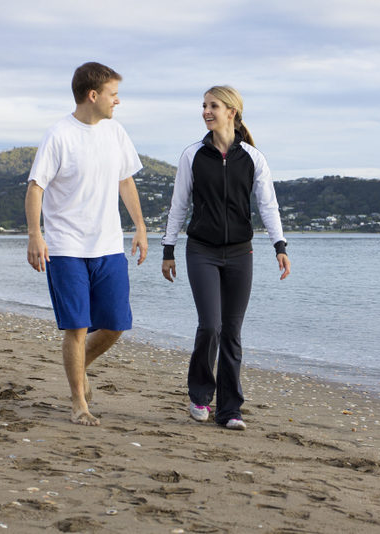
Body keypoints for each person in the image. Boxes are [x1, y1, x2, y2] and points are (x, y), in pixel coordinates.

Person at [161, 85, 290, 430]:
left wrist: (280, 245)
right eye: (203, 105)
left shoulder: (252, 158)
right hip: (201, 250)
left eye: (212, 106)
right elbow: (179, 205)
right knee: (210, 326)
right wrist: (168, 249)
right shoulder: (192, 155)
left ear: (231, 112)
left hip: (239, 254)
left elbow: (268, 205)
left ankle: (230, 409)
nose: (206, 111)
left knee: (232, 331)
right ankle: (200, 395)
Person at [25, 61, 147, 427]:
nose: (118, 101)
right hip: (65, 248)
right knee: (76, 328)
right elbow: (35, 188)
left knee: (115, 325)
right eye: (113, 94)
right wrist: (35, 235)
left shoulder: (116, 132)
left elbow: (126, 181)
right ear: (93, 96)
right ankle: (79, 402)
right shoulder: (59, 135)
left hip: (108, 246)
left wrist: (140, 226)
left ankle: (80, 369)